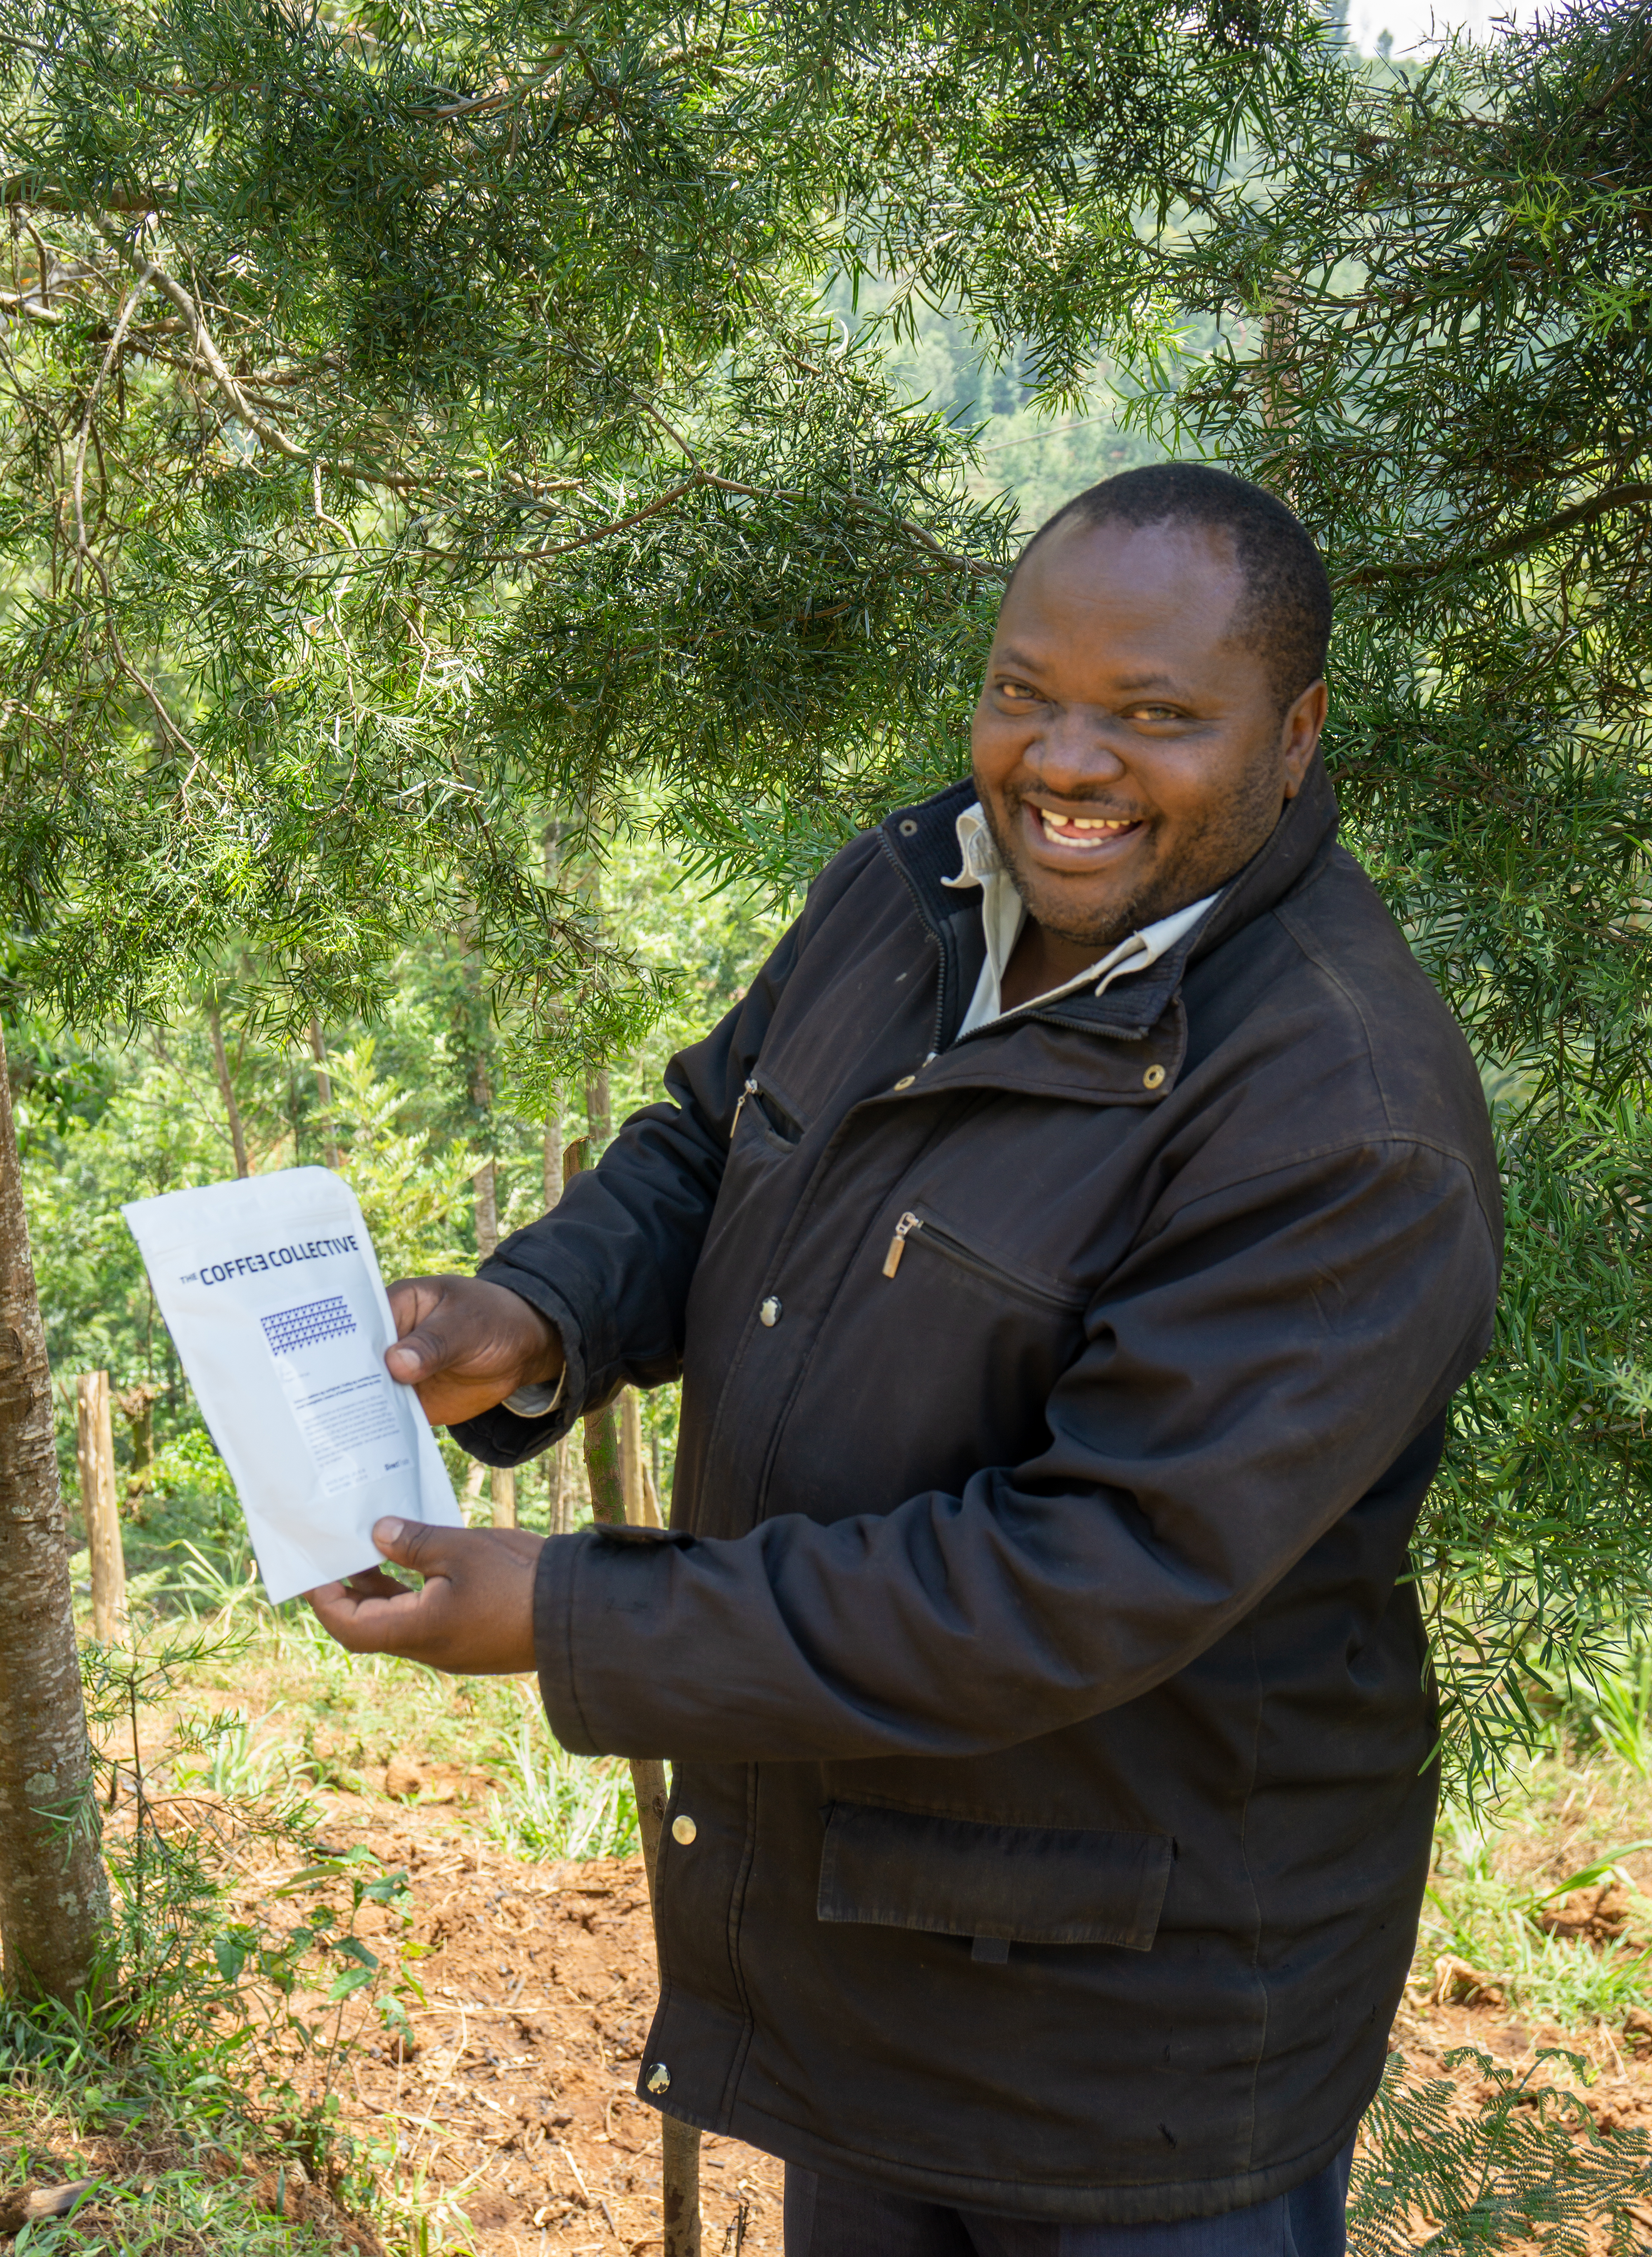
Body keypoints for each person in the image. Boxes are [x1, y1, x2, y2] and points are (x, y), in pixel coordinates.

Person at [309, 464, 1502, 2255]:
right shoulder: (918, 883)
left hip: (1128, 2063)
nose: (1064, 761)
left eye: (1155, 715)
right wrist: (539, 1313)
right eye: (1025, 689)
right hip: (866, 1961)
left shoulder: (1340, 1122)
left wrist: (574, 1617)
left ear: (1295, 729)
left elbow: (1077, 1579)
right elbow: (714, 1137)